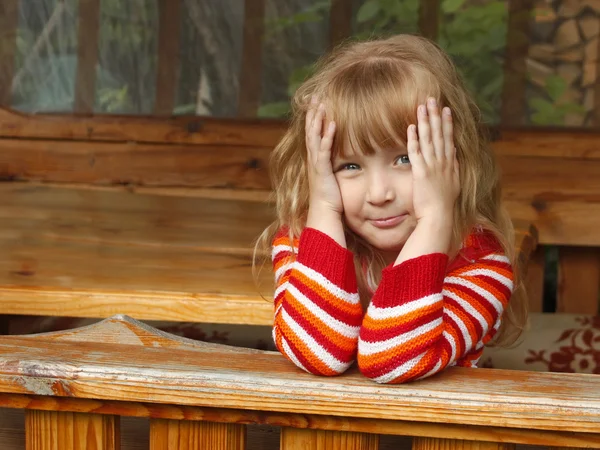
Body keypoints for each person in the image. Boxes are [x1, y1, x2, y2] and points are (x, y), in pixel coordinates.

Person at [254, 34, 527, 384]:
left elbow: (391, 360)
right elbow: (317, 354)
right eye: (349, 166)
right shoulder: (301, 243)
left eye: (404, 159)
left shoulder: (480, 264)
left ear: (453, 160)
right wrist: (322, 206)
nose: (380, 193)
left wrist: (436, 219)